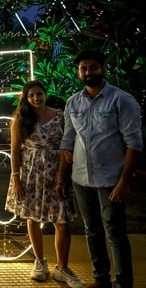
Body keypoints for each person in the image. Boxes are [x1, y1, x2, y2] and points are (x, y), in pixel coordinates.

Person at [58, 50, 143, 288]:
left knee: (115, 232)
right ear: (78, 72)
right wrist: (61, 177)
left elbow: (134, 143)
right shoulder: (73, 102)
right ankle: (101, 279)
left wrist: (125, 181)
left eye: (93, 67)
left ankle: (123, 283)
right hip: (81, 178)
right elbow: (68, 139)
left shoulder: (121, 100)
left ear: (102, 68)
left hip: (111, 179)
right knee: (91, 230)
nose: (88, 72)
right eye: (83, 68)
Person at [4, 81, 85, 287]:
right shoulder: (21, 119)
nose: (36, 98)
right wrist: (16, 179)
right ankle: (39, 261)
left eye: (39, 94)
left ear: (45, 94)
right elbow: (14, 151)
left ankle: (62, 268)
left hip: (56, 171)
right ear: (26, 98)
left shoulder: (59, 115)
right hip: (31, 173)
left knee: (62, 220)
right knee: (32, 218)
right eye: (31, 95)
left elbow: (67, 145)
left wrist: (63, 175)